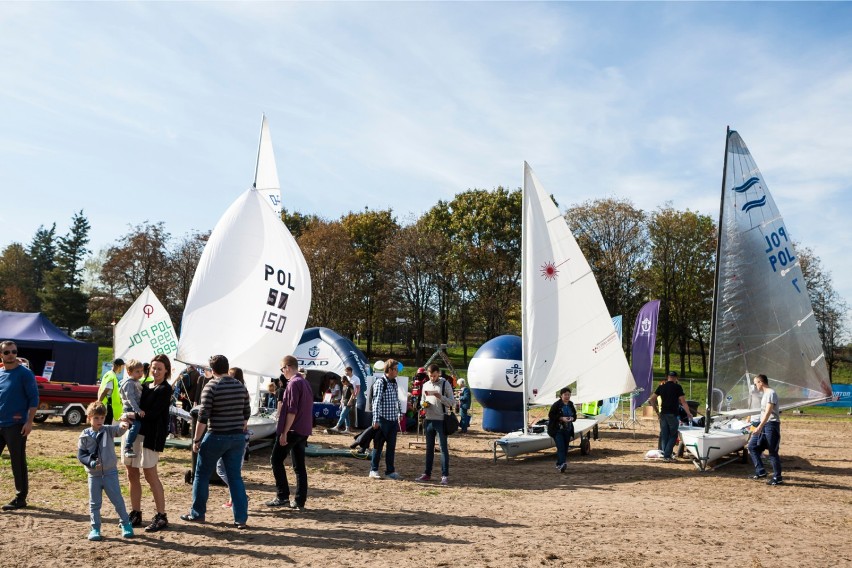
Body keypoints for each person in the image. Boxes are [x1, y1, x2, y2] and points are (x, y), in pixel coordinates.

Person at [181, 355, 251, 528]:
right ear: (227, 368)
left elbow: (203, 417)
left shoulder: (210, 386)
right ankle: (240, 519)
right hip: (237, 437)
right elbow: (246, 413)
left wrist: (196, 440)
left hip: (216, 435)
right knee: (235, 478)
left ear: (212, 370)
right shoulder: (240, 386)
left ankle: (197, 514)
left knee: (201, 475)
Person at [122, 354, 173, 532]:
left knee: (150, 475)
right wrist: (126, 416)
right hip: (133, 434)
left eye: (160, 368)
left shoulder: (165, 389)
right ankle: (135, 512)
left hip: (150, 437)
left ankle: (161, 516)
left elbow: (152, 414)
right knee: (131, 473)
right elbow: (130, 403)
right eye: (153, 367)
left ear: (166, 370)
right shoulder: (143, 385)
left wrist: (130, 415)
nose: (156, 371)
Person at [77, 402, 133, 540]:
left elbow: (118, 429)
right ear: (89, 417)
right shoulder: (84, 435)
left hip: (110, 473)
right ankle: (95, 528)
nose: (99, 421)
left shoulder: (108, 430)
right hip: (93, 476)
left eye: (102, 418)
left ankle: (126, 524)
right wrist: (90, 462)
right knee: (94, 503)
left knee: (118, 501)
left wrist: (124, 425)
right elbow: (81, 455)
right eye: (96, 418)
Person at [266, 355, 313, 511]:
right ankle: (299, 500)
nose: (282, 372)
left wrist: (284, 432)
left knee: (276, 460)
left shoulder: (293, 384)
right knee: (299, 466)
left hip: (293, 429)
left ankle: (282, 496)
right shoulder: (305, 382)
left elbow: (292, 411)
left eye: (282, 369)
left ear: (287, 367)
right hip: (303, 429)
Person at [0, 340, 38, 510]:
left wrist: (29, 422)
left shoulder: (25, 374)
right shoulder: (0, 373)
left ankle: (20, 497)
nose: (11, 355)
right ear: (1, 354)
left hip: (16, 424)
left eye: (14, 352)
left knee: (17, 461)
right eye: (7, 352)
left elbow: (34, 399)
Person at [415, 364, 455, 485]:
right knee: (429, 449)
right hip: (428, 419)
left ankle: (444, 475)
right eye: (430, 376)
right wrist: (424, 404)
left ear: (438, 373)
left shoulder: (445, 384)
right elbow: (422, 400)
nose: (432, 378)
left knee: (443, 449)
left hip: (441, 419)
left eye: (434, 375)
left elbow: (452, 402)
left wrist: (440, 397)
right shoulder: (426, 385)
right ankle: (427, 473)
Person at [369, 359, 403, 480]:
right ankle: (373, 470)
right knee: (378, 447)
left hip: (393, 420)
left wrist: (399, 412)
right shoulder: (380, 383)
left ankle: (390, 471)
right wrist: (375, 420)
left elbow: (396, 400)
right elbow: (376, 402)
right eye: (395, 369)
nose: (397, 371)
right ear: (389, 370)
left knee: (391, 447)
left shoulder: (394, 382)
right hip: (382, 420)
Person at [747, 374, 783, 485]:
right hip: (764, 425)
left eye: (755, 383)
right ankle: (760, 471)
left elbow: (768, 412)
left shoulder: (771, 393)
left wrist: (759, 426)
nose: (755, 385)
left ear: (761, 382)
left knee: (772, 452)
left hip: (771, 426)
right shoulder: (765, 394)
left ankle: (778, 478)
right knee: (752, 446)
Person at [649, 371, 692, 462]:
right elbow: (683, 402)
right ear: (676, 378)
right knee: (673, 435)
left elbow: (652, 399)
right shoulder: (677, 387)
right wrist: (688, 413)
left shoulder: (661, 387)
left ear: (667, 377)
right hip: (672, 414)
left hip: (663, 413)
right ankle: (667, 456)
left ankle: (665, 454)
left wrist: (656, 411)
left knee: (665, 435)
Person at [119, 359, 145, 459]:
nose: (140, 373)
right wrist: (137, 410)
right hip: (130, 408)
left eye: (141, 371)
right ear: (129, 372)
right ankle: (128, 447)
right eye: (137, 371)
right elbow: (130, 398)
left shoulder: (136, 381)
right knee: (136, 425)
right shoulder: (129, 383)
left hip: (134, 407)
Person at [547, 387, 577, 473]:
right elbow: (551, 415)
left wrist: (572, 418)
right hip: (557, 430)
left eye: (568, 395)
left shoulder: (571, 404)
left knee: (566, 448)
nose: (567, 396)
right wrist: (561, 418)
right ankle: (562, 464)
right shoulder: (557, 404)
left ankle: (559, 463)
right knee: (561, 447)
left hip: (568, 429)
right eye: (565, 395)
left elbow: (575, 416)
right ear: (561, 395)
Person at [97, 358, 125, 425]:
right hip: (109, 406)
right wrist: (98, 403)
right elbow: (105, 391)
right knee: (107, 427)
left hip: (105, 404)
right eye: (122, 366)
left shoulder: (108, 374)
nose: (122, 368)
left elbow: (101, 389)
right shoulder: (112, 377)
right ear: (118, 366)